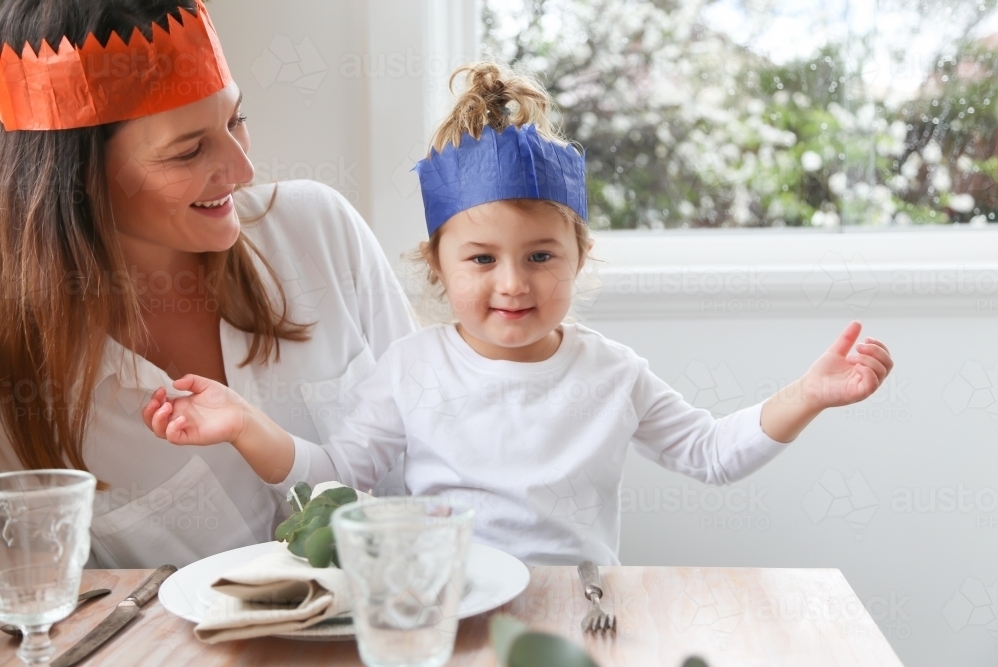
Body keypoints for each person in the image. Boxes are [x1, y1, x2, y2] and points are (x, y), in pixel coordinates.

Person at [143, 62, 894, 565]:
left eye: (541, 255)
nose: (513, 283)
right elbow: (337, 479)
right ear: (437, 265)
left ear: (578, 257)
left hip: (584, 611)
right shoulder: (411, 368)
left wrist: (811, 393)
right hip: (452, 609)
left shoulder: (613, 372)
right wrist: (246, 423)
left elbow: (710, 451)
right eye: (480, 259)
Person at [0, 0, 414, 569]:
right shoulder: (20, 379)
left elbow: (441, 447)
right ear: (79, 180)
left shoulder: (317, 228)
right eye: (189, 150)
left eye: (235, 119)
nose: (242, 170)